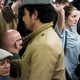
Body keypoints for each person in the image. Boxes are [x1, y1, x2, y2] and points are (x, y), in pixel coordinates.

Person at [12, 0, 66, 80]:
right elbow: (31, 63)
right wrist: (10, 63)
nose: (23, 19)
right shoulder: (43, 36)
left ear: (34, 14)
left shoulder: (44, 45)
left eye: (24, 14)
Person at [53, 4, 80, 80]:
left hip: (76, 71)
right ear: (65, 18)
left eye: (76, 16)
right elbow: (61, 11)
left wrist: (74, 13)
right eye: (73, 17)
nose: (76, 19)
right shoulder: (61, 32)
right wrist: (53, 5)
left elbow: (78, 13)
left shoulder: (73, 28)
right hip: (67, 74)